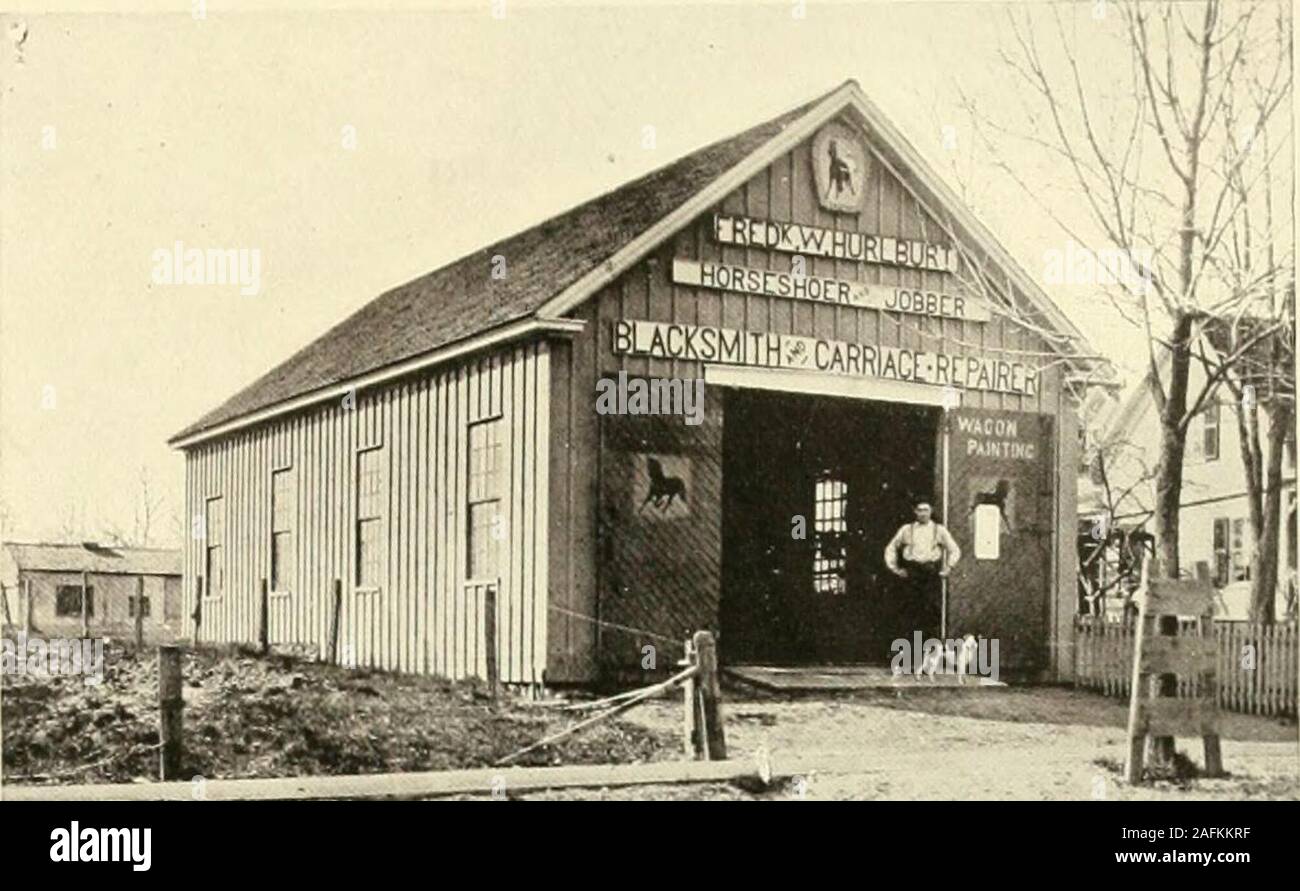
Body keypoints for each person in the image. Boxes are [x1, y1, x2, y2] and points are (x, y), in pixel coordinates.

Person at [884, 501, 962, 635]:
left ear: (931, 510)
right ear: (915, 511)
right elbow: (891, 547)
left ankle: (930, 646)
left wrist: (948, 567)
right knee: (910, 611)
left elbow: (954, 550)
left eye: (926, 510)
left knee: (931, 612)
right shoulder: (906, 530)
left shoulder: (939, 530)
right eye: (919, 510)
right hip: (912, 574)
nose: (923, 513)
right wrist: (895, 568)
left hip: (930, 574)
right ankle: (909, 647)